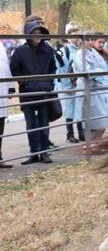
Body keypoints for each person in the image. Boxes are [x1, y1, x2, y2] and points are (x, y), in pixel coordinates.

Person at [10, 21, 57, 164]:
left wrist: (48, 84)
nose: (38, 36)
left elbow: (53, 68)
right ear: (28, 35)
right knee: (30, 125)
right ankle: (34, 153)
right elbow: (15, 69)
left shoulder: (48, 50)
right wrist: (25, 83)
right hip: (28, 93)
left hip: (43, 92)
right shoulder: (20, 51)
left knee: (43, 123)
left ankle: (44, 153)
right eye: (34, 33)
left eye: (40, 33)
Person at [73, 34, 108, 140]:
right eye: (87, 40)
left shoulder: (93, 52)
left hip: (98, 89)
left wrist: (100, 73)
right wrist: (99, 72)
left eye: (91, 40)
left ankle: (96, 142)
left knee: (100, 120)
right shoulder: (80, 54)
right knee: (90, 119)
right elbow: (86, 71)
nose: (89, 42)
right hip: (88, 89)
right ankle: (90, 143)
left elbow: (102, 67)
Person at [56, 27, 85, 142]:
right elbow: (61, 70)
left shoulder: (81, 50)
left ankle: (81, 133)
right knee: (69, 110)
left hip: (79, 85)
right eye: (73, 36)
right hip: (69, 86)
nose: (75, 38)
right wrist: (66, 86)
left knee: (79, 109)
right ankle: (70, 134)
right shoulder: (65, 51)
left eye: (77, 36)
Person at [0, 36, 12, 168]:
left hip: (2, 93)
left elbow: (5, 66)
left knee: (0, 127)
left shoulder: (1, 46)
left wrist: (10, 87)